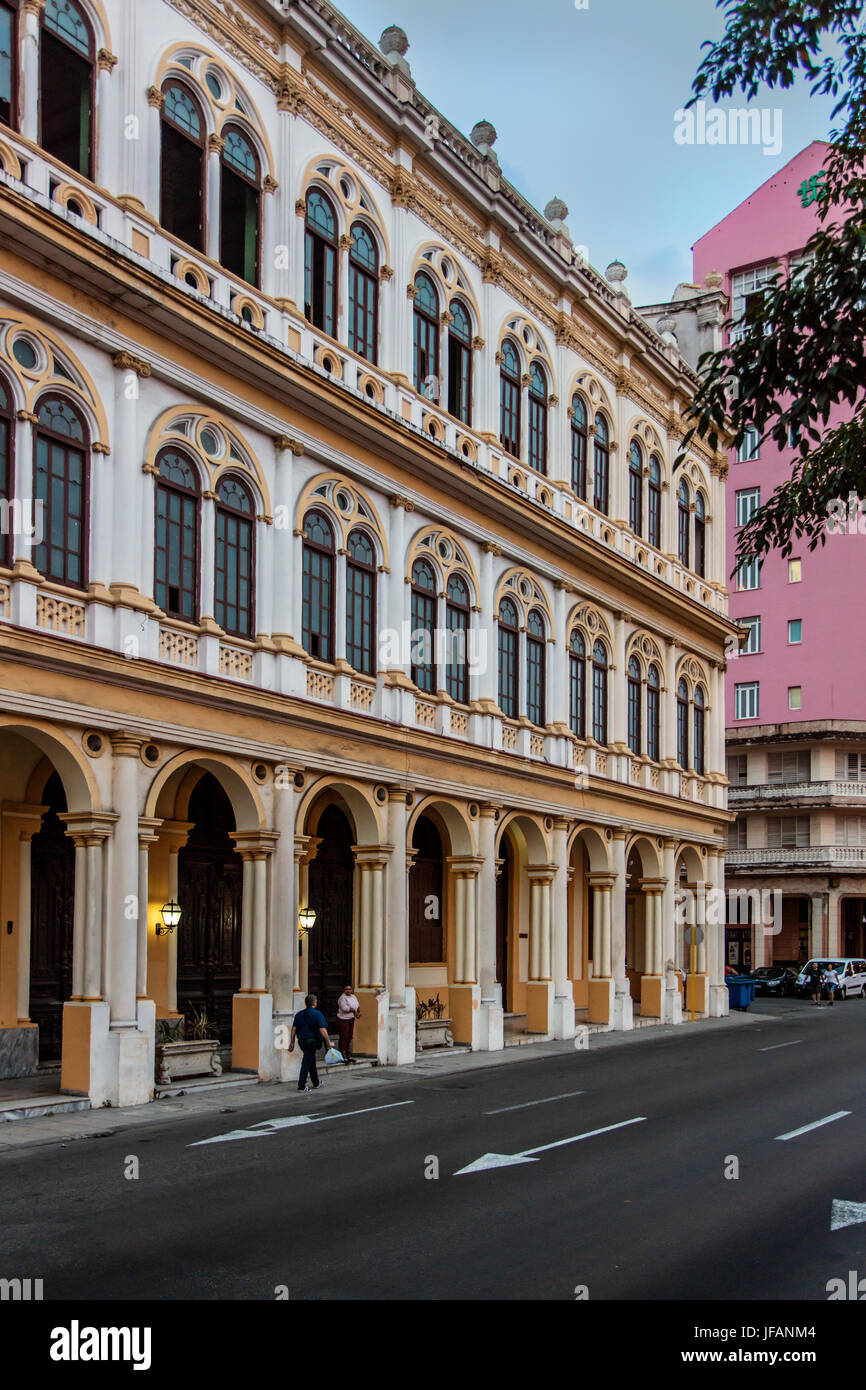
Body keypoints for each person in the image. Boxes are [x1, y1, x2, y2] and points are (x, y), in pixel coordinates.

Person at [289, 993, 332, 1092]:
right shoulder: (317, 1014)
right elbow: (322, 1029)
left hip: (302, 1042)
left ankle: (316, 1082)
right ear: (314, 1003)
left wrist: (291, 1042)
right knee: (306, 1063)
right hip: (312, 1041)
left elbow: (293, 1029)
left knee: (311, 1061)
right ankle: (301, 1086)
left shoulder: (299, 1014)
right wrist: (328, 1041)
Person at [336, 983, 361, 1063]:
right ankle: (343, 1055)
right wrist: (354, 1011)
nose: (348, 990)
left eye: (350, 989)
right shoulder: (342, 998)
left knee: (349, 1036)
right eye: (347, 989)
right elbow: (344, 1008)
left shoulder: (353, 997)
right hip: (343, 1019)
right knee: (344, 1036)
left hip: (351, 1019)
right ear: (344, 990)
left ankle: (348, 1055)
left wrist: (358, 1012)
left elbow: (357, 1005)